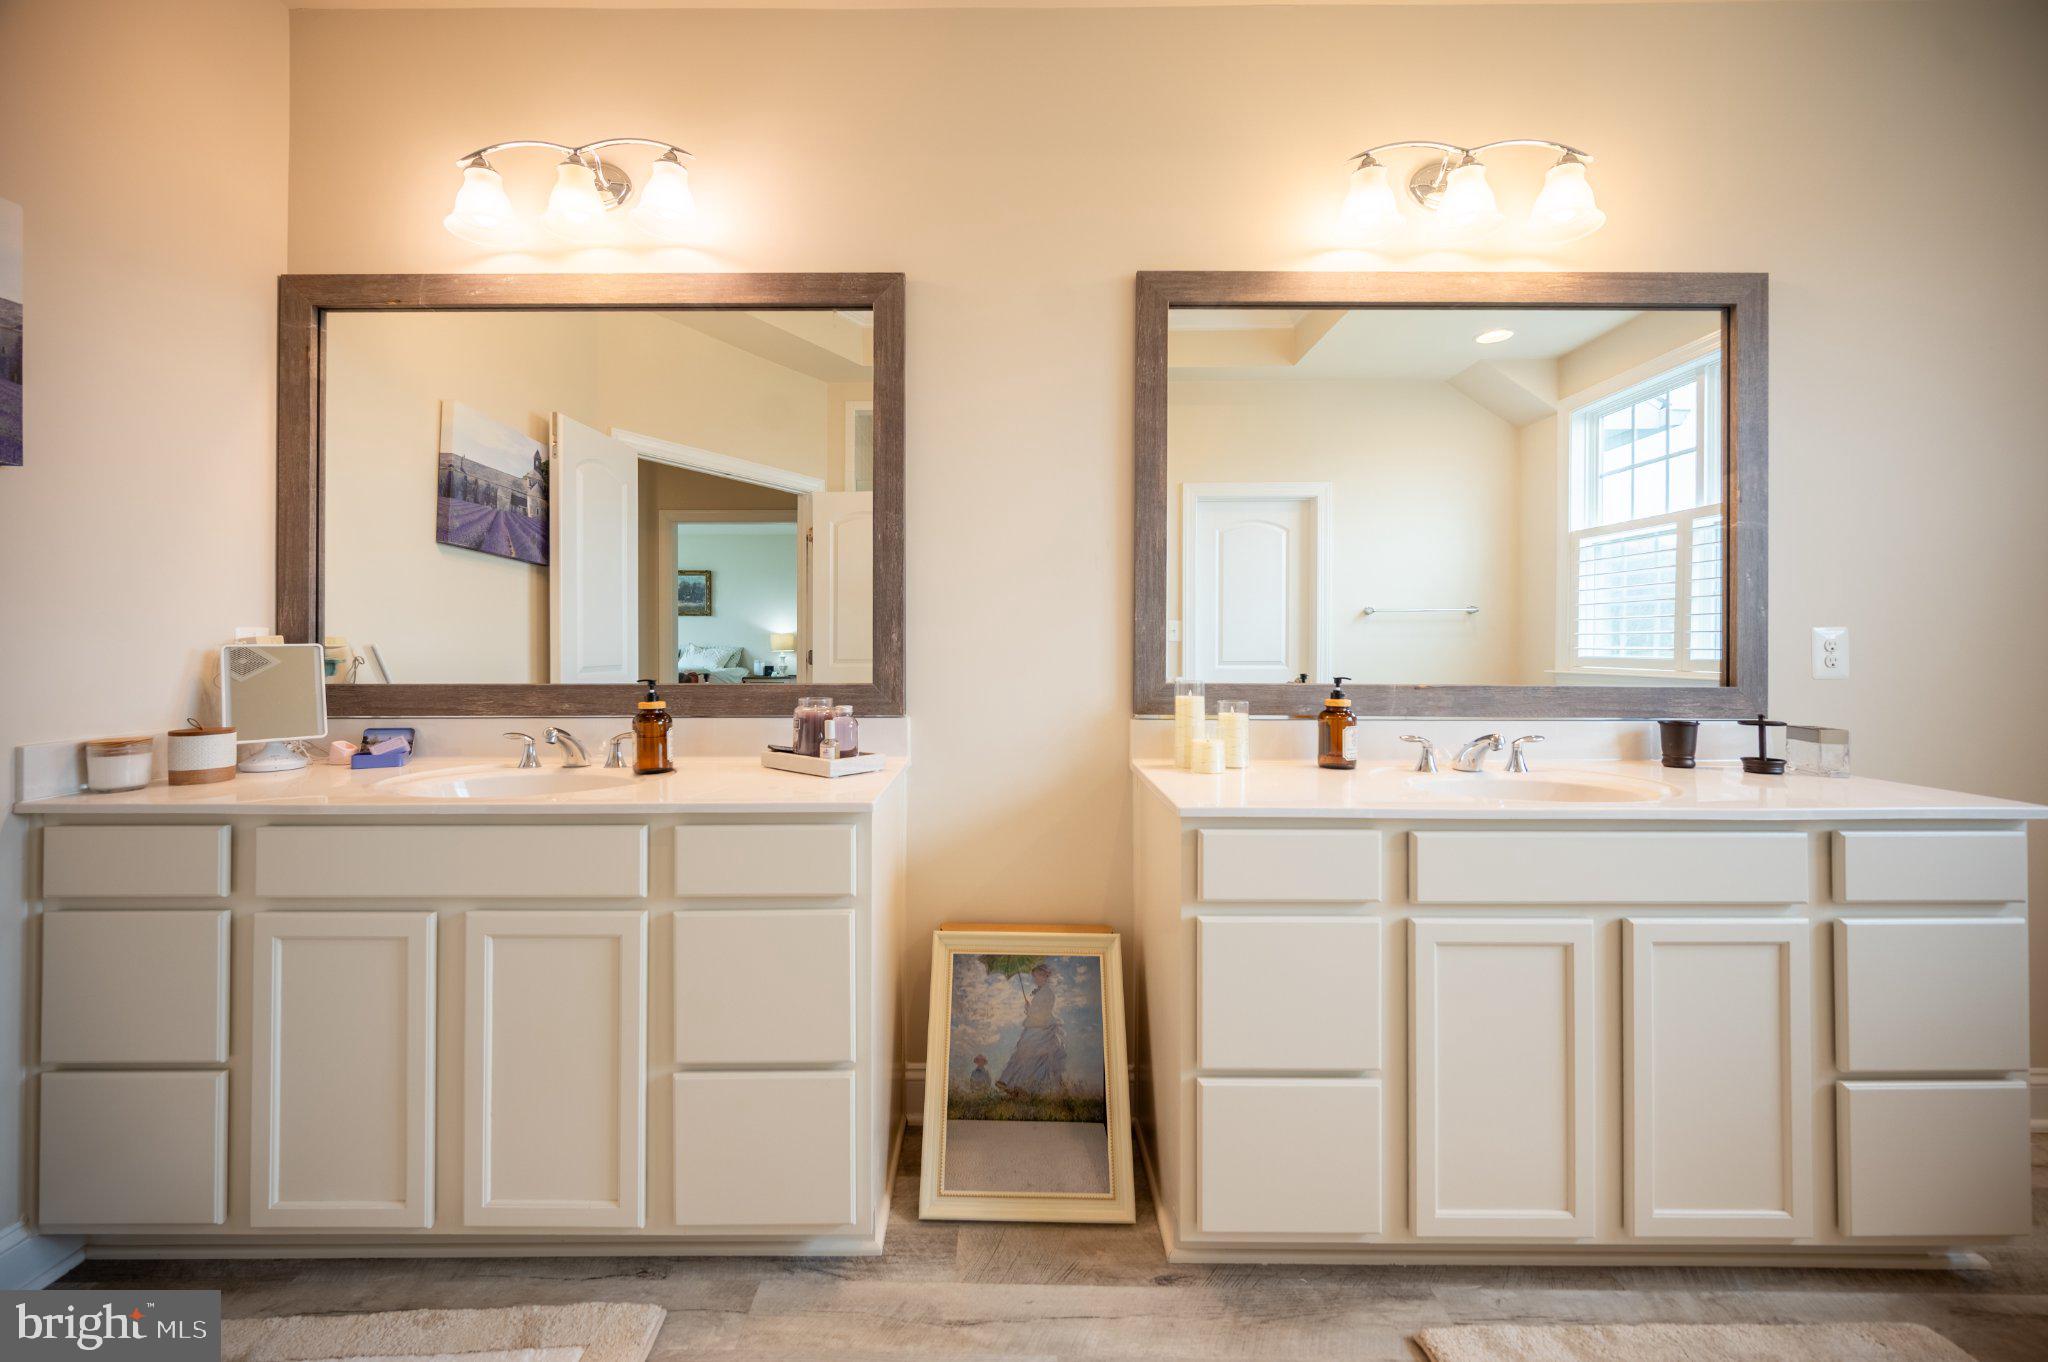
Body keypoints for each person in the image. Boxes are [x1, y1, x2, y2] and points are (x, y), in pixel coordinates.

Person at [997, 962, 1069, 1097]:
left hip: (1041, 1029)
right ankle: (1012, 1085)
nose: (1035, 979)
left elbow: (1042, 1014)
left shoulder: (1047, 993)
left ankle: (1023, 1087)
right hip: (1034, 1027)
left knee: (1033, 1059)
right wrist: (1030, 1009)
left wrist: (1030, 1010)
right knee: (1023, 1055)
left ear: (1045, 976)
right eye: (1034, 976)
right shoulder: (1041, 992)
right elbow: (1036, 1012)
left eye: (1037, 976)